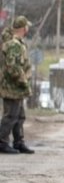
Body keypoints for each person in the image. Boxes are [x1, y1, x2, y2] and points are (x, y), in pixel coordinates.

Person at [0, 16, 34, 154]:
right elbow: (12, 67)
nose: (28, 30)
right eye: (27, 27)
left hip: (16, 88)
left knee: (19, 116)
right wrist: (24, 82)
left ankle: (18, 142)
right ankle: (2, 142)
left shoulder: (18, 43)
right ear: (23, 28)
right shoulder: (14, 44)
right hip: (11, 87)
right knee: (10, 116)